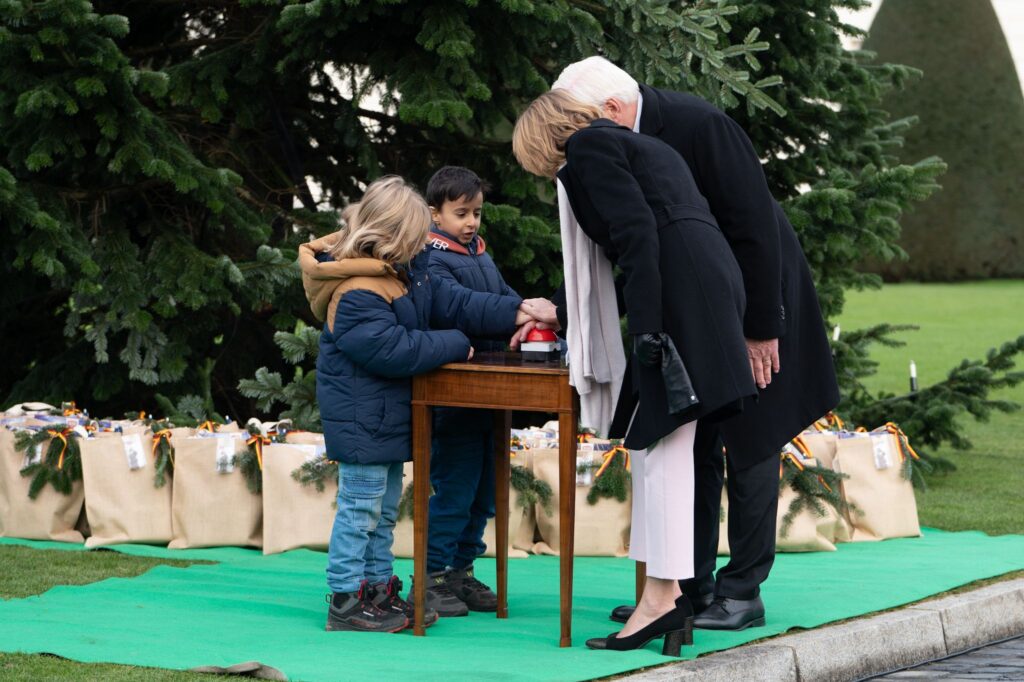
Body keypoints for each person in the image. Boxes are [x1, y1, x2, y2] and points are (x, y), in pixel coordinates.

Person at [517, 56, 840, 631]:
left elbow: (753, 225)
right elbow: (636, 247)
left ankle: (743, 590)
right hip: (695, 304)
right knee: (693, 440)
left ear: (611, 109)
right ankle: (687, 589)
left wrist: (761, 326)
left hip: (758, 296)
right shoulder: (620, 140)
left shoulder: (698, 124)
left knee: (751, 436)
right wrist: (568, 312)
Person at [512, 89, 757, 655]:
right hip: (704, 282)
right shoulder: (635, 144)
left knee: (663, 448)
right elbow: (653, 233)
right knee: (662, 446)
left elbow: (636, 238)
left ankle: (663, 599)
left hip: (681, 293)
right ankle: (665, 593)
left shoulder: (589, 148)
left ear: (546, 139)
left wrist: (648, 331)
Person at [298, 176, 527, 633]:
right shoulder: (359, 289)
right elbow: (392, 348)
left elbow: (454, 300)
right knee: (360, 510)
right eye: (415, 236)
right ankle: (345, 599)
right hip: (364, 424)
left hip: (383, 422)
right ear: (393, 235)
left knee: (381, 513)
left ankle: (378, 590)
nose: (423, 245)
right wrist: (453, 342)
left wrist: (522, 311)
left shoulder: (398, 274)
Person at [420, 166, 520, 616]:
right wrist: (520, 311)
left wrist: (533, 314)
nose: (472, 222)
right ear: (434, 214)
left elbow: (500, 294)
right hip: (455, 393)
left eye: (477, 212)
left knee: (485, 488)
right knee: (456, 485)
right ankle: (432, 572)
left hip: (491, 394)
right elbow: (461, 306)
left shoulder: (479, 253)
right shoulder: (430, 258)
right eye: (462, 213)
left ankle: (461, 568)